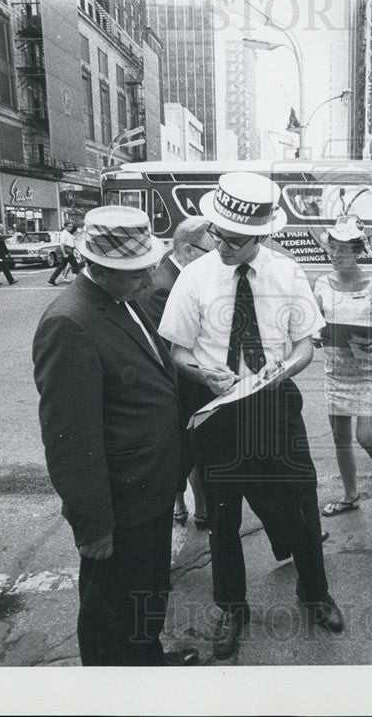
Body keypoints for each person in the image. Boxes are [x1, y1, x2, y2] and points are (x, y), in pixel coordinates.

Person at [159, 172, 344, 660]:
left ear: (261, 236)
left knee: (302, 500)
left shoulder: (288, 274)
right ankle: (231, 608)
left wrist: (287, 368)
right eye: (216, 234)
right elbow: (177, 350)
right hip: (218, 411)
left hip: (274, 405)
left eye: (234, 239)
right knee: (222, 516)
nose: (220, 245)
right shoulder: (195, 277)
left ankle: (314, 591)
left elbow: (307, 343)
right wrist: (203, 373)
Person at [32, 205, 198, 666]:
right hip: (119, 503)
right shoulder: (69, 322)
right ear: (102, 270)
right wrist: (93, 525)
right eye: (137, 273)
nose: (149, 282)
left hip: (149, 486)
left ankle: (148, 660)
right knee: (112, 613)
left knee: (146, 593)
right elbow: (69, 440)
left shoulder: (122, 300)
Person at [312, 215, 372, 516]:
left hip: (369, 368)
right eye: (333, 248)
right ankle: (350, 495)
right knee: (340, 438)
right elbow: (315, 324)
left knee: (365, 435)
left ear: (357, 251)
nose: (336, 255)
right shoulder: (322, 283)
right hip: (336, 368)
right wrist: (314, 336)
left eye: (343, 249)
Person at [137, 216, 216, 529]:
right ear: (188, 249)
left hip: (187, 383)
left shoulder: (179, 275)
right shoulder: (163, 287)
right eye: (212, 251)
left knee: (191, 450)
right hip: (177, 388)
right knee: (188, 451)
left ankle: (190, 507)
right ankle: (193, 508)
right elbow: (165, 351)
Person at [48, 221, 80, 286]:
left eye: (71, 226)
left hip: (69, 250)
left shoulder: (67, 233)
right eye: (69, 226)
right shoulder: (64, 234)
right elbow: (62, 245)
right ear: (65, 227)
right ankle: (81, 280)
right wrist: (64, 253)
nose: (71, 227)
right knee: (75, 266)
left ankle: (52, 279)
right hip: (67, 251)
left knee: (62, 266)